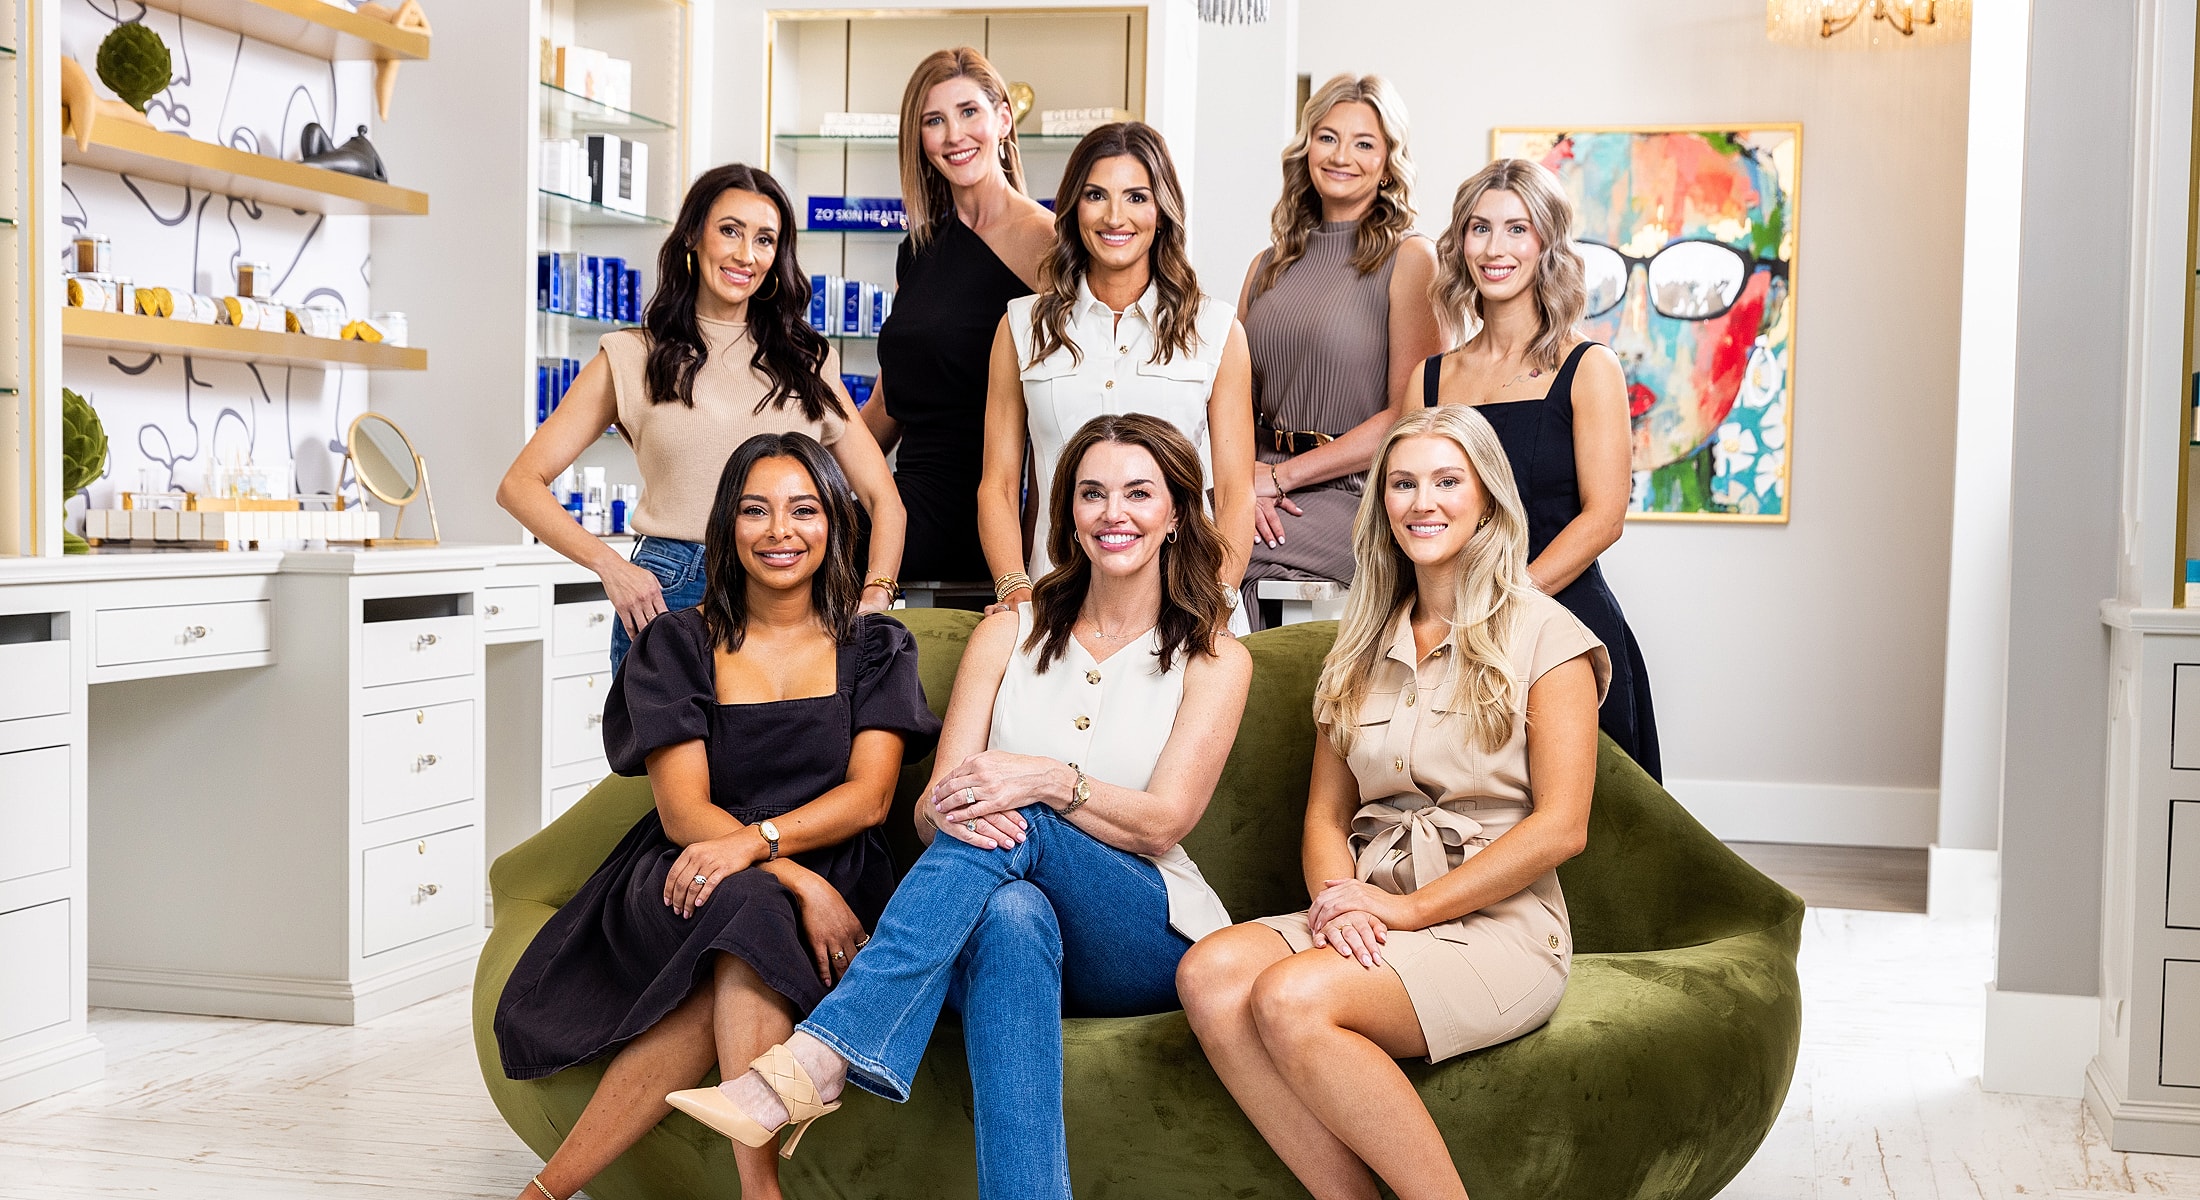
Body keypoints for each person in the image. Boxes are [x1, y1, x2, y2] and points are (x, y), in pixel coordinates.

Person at [665, 414, 1254, 1200]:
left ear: (1178, 511)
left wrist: (1045, 780)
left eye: (1139, 494)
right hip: (1008, 920)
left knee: (1029, 817)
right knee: (1011, 913)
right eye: (1092, 494)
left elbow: (1165, 821)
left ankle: (822, 1053)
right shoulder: (1009, 632)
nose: (1114, 514)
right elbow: (930, 812)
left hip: (1144, 933)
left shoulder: (1215, 654)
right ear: (1066, 513)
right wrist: (972, 804)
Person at [493, 432, 940, 1200]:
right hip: (688, 871)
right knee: (753, 903)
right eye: (755, 511)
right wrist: (796, 878)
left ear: (835, 522)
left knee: (741, 935)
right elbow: (684, 812)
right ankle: (759, 1194)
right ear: (726, 528)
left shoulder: (875, 646)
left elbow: (868, 797)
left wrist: (770, 854)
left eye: (804, 510)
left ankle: (542, 1194)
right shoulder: (676, 641)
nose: (780, 532)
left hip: (835, 870)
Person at [1176, 405, 1607, 1200]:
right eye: (1403, 483)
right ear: (1381, 505)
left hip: (1498, 928)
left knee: (1291, 994)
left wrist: (1407, 913)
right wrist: (1338, 902)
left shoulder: (1550, 637)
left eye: (1448, 481)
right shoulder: (1359, 643)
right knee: (1209, 972)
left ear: (1487, 499)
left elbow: (1562, 829)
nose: (1423, 502)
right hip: (1372, 906)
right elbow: (1325, 818)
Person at [497, 163, 907, 675]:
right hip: (672, 591)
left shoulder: (806, 362)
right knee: (665, 755)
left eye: (765, 240)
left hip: (794, 595)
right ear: (693, 235)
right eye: (729, 231)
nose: (745, 255)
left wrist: (876, 593)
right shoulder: (634, 355)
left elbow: (882, 498)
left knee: (785, 756)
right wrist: (610, 566)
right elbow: (519, 484)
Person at [1419, 158, 1660, 779]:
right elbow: (1410, 509)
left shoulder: (1589, 367)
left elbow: (1605, 517)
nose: (1495, 248)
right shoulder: (1431, 378)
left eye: (1517, 229)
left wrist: (1504, 605)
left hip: (1568, 627)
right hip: (1455, 635)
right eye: (1479, 228)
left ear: (1547, 244)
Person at [974, 121, 1255, 629]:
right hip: (1055, 601)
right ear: (1073, 208)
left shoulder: (1216, 329)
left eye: (1136, 196)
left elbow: (1236, 493)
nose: (1114, 216)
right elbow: (997, 483)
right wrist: (1015, 587)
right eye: (1096, 195)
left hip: (1186, 606)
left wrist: (1221, 598)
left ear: (1162, 211)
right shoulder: (1020, 328)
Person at [1236, 73, 1445, 631]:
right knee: (1165, 535)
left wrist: (1280, 480)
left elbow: (1410, 416)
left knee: (1210, 553)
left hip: (1354, 493)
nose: (1341, 156)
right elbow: (1226, 400)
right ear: (1307, 149)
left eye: (1364, 143)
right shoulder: (1267, 264)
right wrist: (1241, 481)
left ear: (1388, 161)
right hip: (1256, 483)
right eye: (1327, 137)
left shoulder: (1411, 259)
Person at [862, 47, 1056, 586]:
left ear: (1002, 119)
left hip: (978, 512)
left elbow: (1058, 408)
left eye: (969, 111)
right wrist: (802, 470)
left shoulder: (1048, 244)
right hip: (902, 502)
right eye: (934, 120)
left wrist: (1033, 556)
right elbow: (885, 405)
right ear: (919, 140)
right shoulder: (918, 251)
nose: (954, 135)